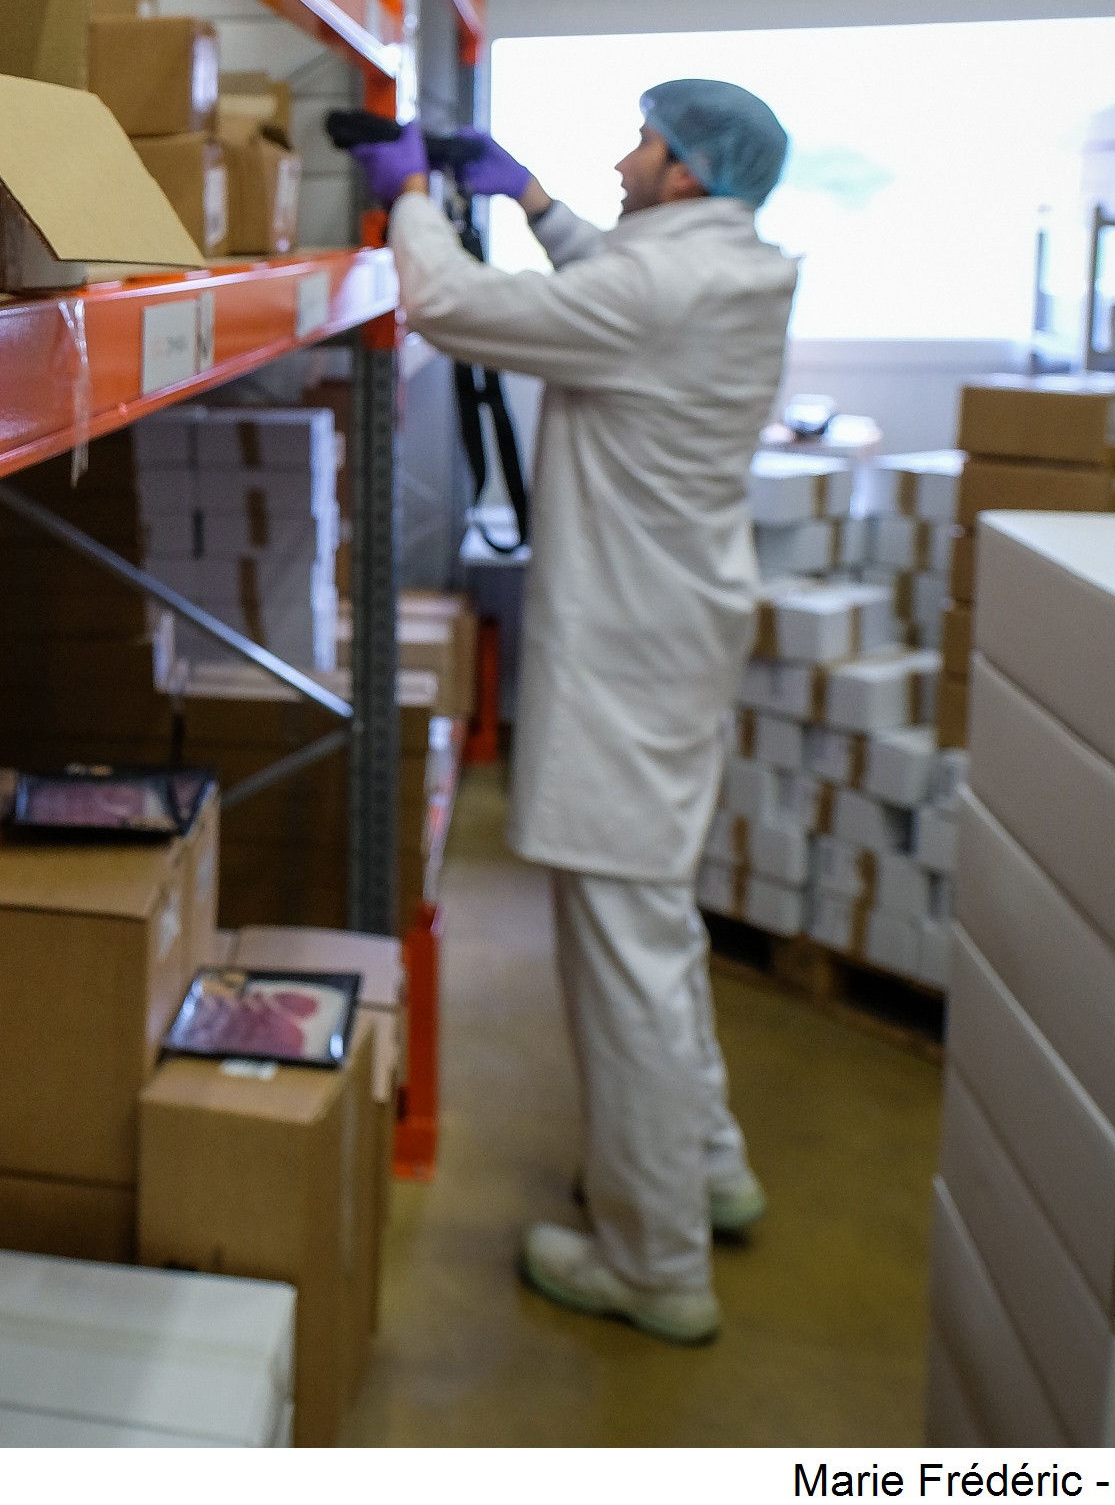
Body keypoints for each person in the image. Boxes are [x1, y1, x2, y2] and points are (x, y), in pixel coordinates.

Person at [350, 79, 798, 1345]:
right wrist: (531, 199)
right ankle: (707, 1165)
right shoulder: (719, 268)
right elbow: (615, 280)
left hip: (628, 661)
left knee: (626, 961)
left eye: (643, 143)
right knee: (655, 927)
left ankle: (656, 1266)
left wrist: (410, 198)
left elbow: (452, 306)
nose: (622, 158)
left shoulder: (662, 292)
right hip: (672, 641)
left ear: (687, 174)